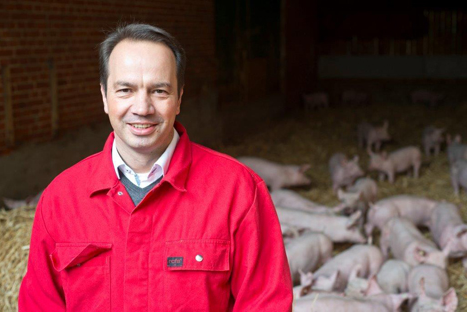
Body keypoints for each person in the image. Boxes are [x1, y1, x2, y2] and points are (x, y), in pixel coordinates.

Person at [18, 23, 292, 311]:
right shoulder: (61, 199)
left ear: (179, 98)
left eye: (159, 91)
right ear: (103, 96)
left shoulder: (237, 191)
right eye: (125, 90)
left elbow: (266, 303)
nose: (142, 107)